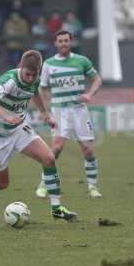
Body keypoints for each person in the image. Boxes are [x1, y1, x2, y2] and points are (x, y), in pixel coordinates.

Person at [0, 50, 77, 221]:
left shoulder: (35, 78)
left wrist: (44, 113)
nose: (30, 78)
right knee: (1, 183)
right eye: (28, 74)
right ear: (21, 67)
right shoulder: (10, 80)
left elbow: (35, 92)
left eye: (34, 74)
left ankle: (56, 208)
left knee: (49, 158)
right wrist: (7, 116)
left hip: (20, 129)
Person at [34, 30, 103, 198]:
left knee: (88, 150)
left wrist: (89, 94)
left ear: (70, 42)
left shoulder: (82, 61)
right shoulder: (49, 64)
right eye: (60, 41)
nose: (63, 43)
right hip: (59, 111)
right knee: (56, 149)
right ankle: (44, 185)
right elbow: (42, 88)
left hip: (79, 111)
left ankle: (93, 188)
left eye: (66, 40)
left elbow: (97, 79)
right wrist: (45, 111)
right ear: (55, 44)